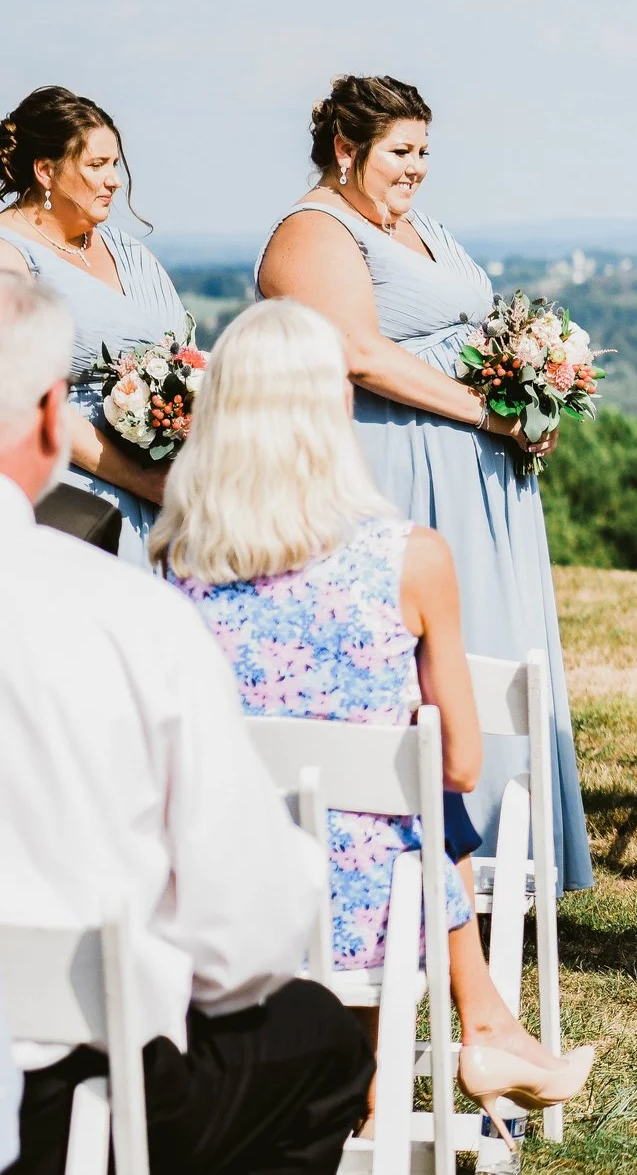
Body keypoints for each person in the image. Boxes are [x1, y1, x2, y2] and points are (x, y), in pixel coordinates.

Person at [153, 298, 596, 1124]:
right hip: (370, 913)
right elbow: (461, 763)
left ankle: (393, 1072)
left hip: (220, 901)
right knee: (432, 800)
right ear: (336, 413)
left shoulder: (177, 567)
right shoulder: (407, 559)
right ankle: (473, 1031)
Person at [0, 277, 372, 1175]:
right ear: (54, 419)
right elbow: (242, 935)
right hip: (59, 1097)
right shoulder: (123, 619)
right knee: (320, 1039)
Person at [255, 75, 591, 892]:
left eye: (425, 151)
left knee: (500, 639)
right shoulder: (314, 231)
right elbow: (361, 353)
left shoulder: (411, 224)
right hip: (402, 464)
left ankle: (513, 862)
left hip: (480, 471)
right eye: (400, 151)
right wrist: (490, 414)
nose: (417, 167)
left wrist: (534, 385)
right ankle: (433, 870)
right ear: (346, 149)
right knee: (434, 660)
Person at [0, 87, 187, 564]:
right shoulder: (9, 256)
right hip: (75, 495)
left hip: (167, 491)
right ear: (46, 170)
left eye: (116, 165)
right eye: (97, 165)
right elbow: (23, 395)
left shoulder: (128, 251)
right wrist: (145, 481)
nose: (114, 181)